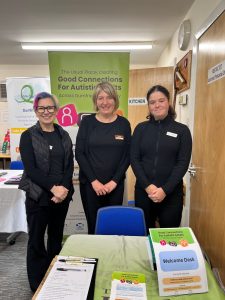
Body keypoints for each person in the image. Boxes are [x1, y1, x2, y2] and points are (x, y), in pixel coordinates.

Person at [19, 92, 74, 292]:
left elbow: (69, 166)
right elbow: (32, 170)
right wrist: (53, 188)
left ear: (56, 110)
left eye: (50, 107)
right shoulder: (28, 136)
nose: (46, 112)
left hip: (61, 198)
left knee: (55, 238)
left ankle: (54, 277)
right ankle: (36, 284)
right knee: (35, 240)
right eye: (41, 108)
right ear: (35, 111)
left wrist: (63, 189)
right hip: (38, 197)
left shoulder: (63, 134)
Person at [131, 85, 192, 230]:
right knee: (143, 234)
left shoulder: (182, 131)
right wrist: (148, 186)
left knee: (168, 237)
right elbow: (134, 159)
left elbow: (182, 163)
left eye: (161, 100)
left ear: (168, 102)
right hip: (144, 192)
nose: (157, 105)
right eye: (152, 102)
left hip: (171, 194)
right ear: (148, 105)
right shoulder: (140, 129)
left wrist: (164, 190)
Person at [75, 81, 131, 234]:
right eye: (100, 98)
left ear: (115, 100)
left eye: (109, 97)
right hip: (91, 185)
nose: (105, 102)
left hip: (115, 185)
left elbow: (128, 155)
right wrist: (94, 181)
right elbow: (80, 153)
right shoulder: (87, 122)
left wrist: (114, 181)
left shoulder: (124, 124)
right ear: (95, 101)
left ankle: (111, 257)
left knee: (112, 227)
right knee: (94, 226)